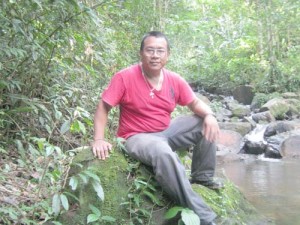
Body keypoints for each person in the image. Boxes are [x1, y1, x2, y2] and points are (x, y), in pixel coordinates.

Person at [92, 31, 222, 225]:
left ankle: (202, 178)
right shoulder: (124, 77)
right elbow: (103, 107)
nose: (155, 55)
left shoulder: (174, 79)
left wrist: (210, 115)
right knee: (163, 152)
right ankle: (204, 217)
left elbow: (194, 103)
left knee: (205, 121)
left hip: (166, 131)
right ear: (141, 53)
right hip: (136, 136)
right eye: (150, 50)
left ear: (167, 55)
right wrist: (99, 139)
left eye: (160, 51)